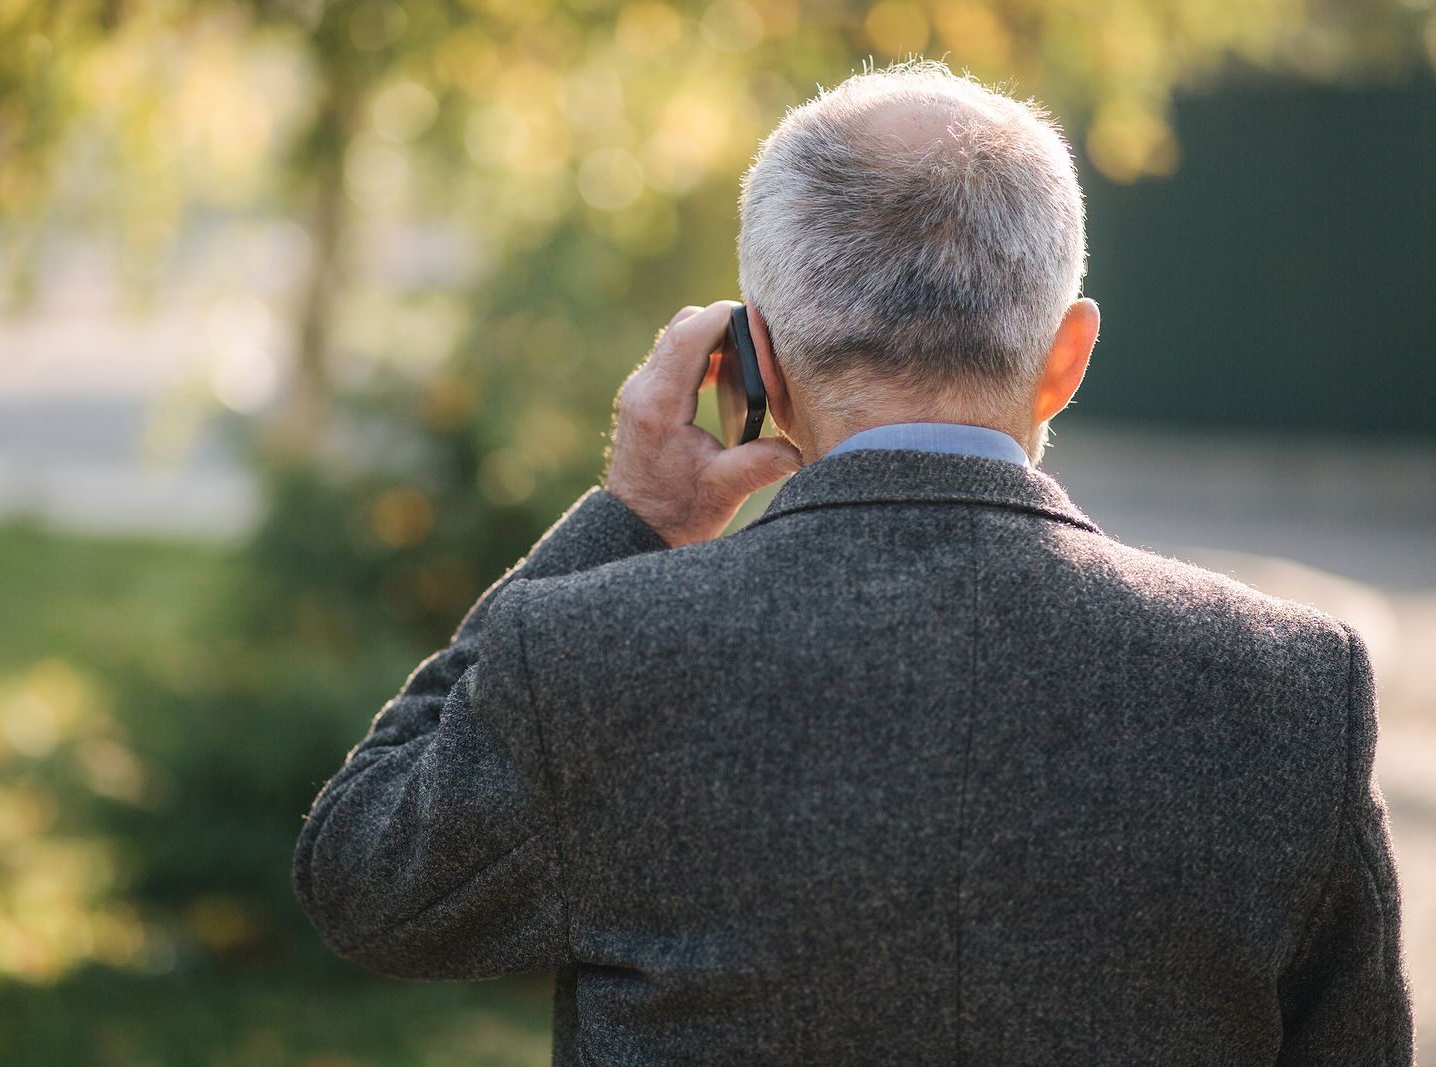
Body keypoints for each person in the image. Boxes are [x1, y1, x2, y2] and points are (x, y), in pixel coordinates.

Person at [292, 62, 1414, 1064]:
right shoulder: (1290, 688)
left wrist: (632, 511)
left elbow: (365, 879)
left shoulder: (589, 651)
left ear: (755, 363)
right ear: (1065, 357)